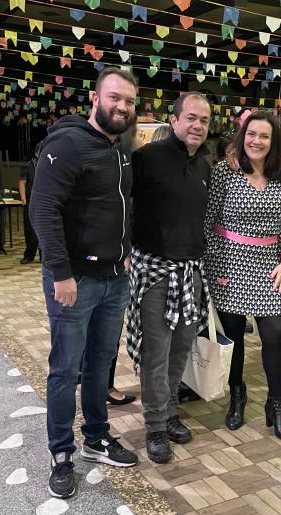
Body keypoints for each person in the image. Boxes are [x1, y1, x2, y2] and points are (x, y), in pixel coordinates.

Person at [30, 67, 140, 499]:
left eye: (129, 101)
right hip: (74, 280)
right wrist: (61, 272)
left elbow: (121, 205)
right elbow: (43, 210)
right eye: (115, 97)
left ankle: (96, 438)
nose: (122, 106)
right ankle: (61, 453)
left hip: (114, 278)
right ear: (96, 99)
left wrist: (125, 249)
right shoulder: (68, 144)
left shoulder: (121, 149)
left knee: (100, 363)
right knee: (66, 368)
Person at [127, 92, 211, 464]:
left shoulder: (205, 166)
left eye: (204, 120)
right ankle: (155, 426)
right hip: (155, 272)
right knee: (156, 354)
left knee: (180, 350)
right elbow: (122, 203)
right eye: (191, 117)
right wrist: (125, 250)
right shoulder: (147, 158)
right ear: (174, 120)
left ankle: (170, 411)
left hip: (191, 271)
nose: (197, 125)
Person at [205, 110, 281, 443]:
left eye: (264, 136)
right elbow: (208, 222)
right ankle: (237, 396)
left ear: (274, 142)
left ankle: (277, 406)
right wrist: (215, 268)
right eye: (252, 134)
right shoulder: (224, 172)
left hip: (271, 265)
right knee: (234, 336)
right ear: (242, 138)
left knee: (276, 333)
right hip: (229, 264)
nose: (257, 141)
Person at [107, 124, 173, 407]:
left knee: (122, 329)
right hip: (130, 261)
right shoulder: (135, 173)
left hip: (131, 260)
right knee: (114, 328)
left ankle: (106, 385)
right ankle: (106, 386)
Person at [18, 143, 41, 264]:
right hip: (30, 201)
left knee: (44, 230)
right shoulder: (28, 166)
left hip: (44, 201)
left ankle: (44, 256)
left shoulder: (48, 164)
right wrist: (23, 199)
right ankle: (29, 255)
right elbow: (22, 182)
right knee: (30, 230)